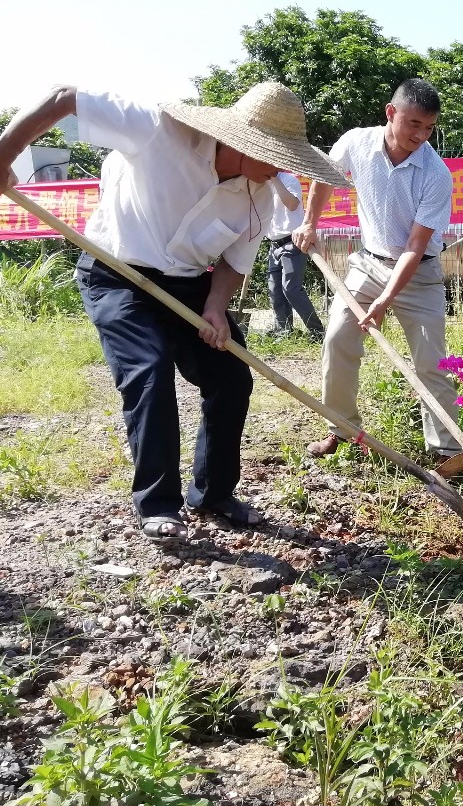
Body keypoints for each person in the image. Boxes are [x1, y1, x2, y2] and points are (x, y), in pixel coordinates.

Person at [0, 82, 346, 542]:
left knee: (230, 375)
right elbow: (65, 97)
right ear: (241, 142)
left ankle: (214, 494)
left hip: (189, 284)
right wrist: (3, 156)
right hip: (116, 271)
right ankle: (159, 505)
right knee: (150, 369)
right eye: (274, 154)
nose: (281, 167)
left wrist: (217, 310)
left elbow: (233, 263)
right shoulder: (156, 130)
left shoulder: (259, 192)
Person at [292, 78, 461, 465]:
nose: (421, 135)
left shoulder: (436, 175)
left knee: (430, 363)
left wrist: (385, 300)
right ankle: (341, 428)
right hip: (368, 263)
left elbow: (416, 248)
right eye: (413, 124)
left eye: (429, 127)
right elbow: (325, 177)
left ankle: (448, 451)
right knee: (337, 340)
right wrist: (309, 222)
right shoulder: (356, 142)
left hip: (418, 274)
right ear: (391, 113)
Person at [264, 172, 325, 339]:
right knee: (275, 290)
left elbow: (292, 204)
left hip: (292, 242)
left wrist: (274, 178)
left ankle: (317, 331)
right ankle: (283, 331)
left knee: (291, 289)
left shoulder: (289, 180)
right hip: (273, 244)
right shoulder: (261, 184)